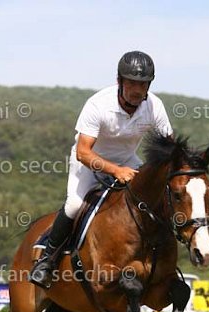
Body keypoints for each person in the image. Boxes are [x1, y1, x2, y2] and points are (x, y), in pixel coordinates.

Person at [30, 50, 173, 288]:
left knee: (157, 199)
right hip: (89, 161)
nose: (137, 90)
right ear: (119, 81)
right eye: (131, 83)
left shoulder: (154, 106)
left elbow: (169, 149)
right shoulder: (98, 104)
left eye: (143, 84)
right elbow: (83, 152)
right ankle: (47, 260)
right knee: (74, 205)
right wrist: (116, 171)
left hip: (127, 160)